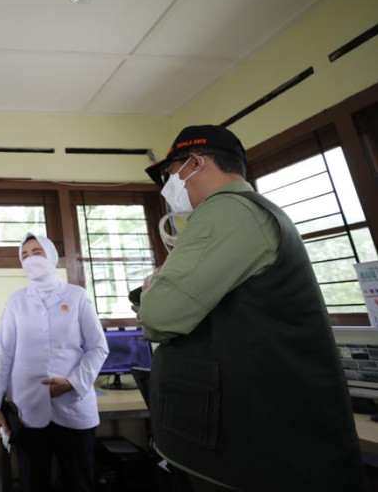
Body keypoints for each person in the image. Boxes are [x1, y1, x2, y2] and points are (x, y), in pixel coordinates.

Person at [135, 124, 366, 491]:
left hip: (252, 442)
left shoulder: (227, 210)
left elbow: (159, 315)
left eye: (170, 173)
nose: (169, 186)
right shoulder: (248, 213)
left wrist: (153, 289)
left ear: (195, 163)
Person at [0, 233, 109, 492]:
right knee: (33, 483)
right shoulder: (16, 301)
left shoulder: (77, 296)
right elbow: (4, 355)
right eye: (24, 255)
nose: (30, 258)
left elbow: (98, 347)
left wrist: (71, 383)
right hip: (28, 409)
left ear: (52, 256)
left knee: (79, 483)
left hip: (74, 407)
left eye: (37, 252)